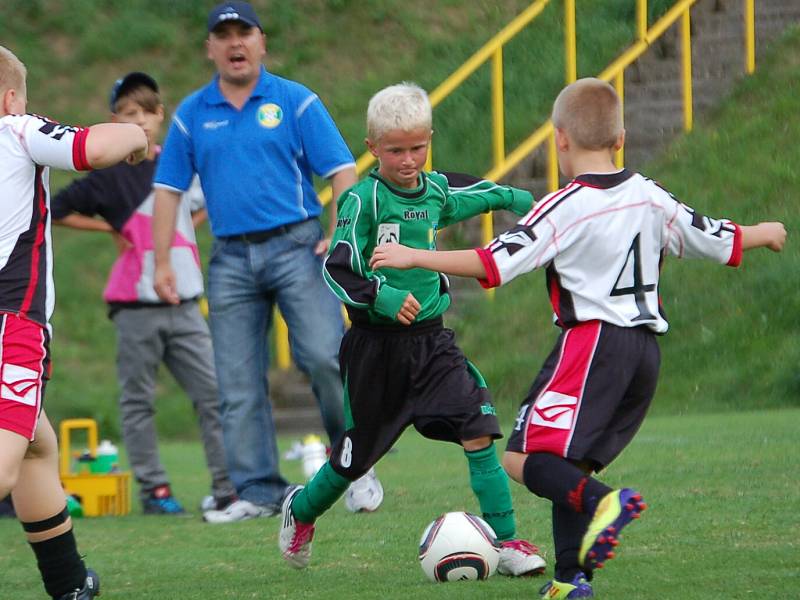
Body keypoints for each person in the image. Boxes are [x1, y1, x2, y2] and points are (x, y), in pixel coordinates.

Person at [369, 77, 786, 598]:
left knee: (523, 459)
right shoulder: (651, 196)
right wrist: (764, 232)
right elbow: (714, 237)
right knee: (568, 466)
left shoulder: (564, 206)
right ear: (621, 137)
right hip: (643, 355)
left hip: (591, 346)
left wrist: (414, 255)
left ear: (560, 139)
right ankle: (570, 579)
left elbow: (491, 264)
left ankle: (603, 502)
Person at [279, 82, 547, 578]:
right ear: (372, 148)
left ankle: (507, 541)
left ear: (429, 140)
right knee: (353, 462)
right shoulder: (362, 201)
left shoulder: (435, 191)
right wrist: (380, 295)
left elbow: (475, 194)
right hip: (374, 351)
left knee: (478, 429)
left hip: (432, 343)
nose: (408, 160)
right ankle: (302, 511)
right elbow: (337, 267)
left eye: (418, 148)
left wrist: (518, 198)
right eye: (396, 150)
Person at [152, 1, 383, 523]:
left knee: (326, 356)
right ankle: (257, 491)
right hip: (230, 258)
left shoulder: (296, 101)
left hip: (298, 247)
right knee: (235, 381)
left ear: (262, 42)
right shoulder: (191, 114)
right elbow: (167, 192)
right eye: (224, 35)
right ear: (210, 47)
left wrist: (340, 235)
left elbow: (343, 171)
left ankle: (355, 463)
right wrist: (162, 262)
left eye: (244, 33)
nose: (235, 44)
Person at [51, 72, 237, 517]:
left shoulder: (178, 163)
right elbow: (55, 209)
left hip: (185, 301)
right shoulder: (105, 178)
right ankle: (156, 491)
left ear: (160, 115)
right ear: (114, 120)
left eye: (146, 112)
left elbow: (213, 193)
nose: (139, 120)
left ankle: (229, 487)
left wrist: (179, 230)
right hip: (134, 308)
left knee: (214, 394)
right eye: (127, 113)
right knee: (138, 401)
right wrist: (111, 228)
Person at [0, 45, 147, 600]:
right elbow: (94, 147)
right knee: (5, 465)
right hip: (10, 324)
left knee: (38, 445)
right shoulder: (15, 129)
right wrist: (136, 136)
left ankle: (68, 583)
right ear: (13, 99)